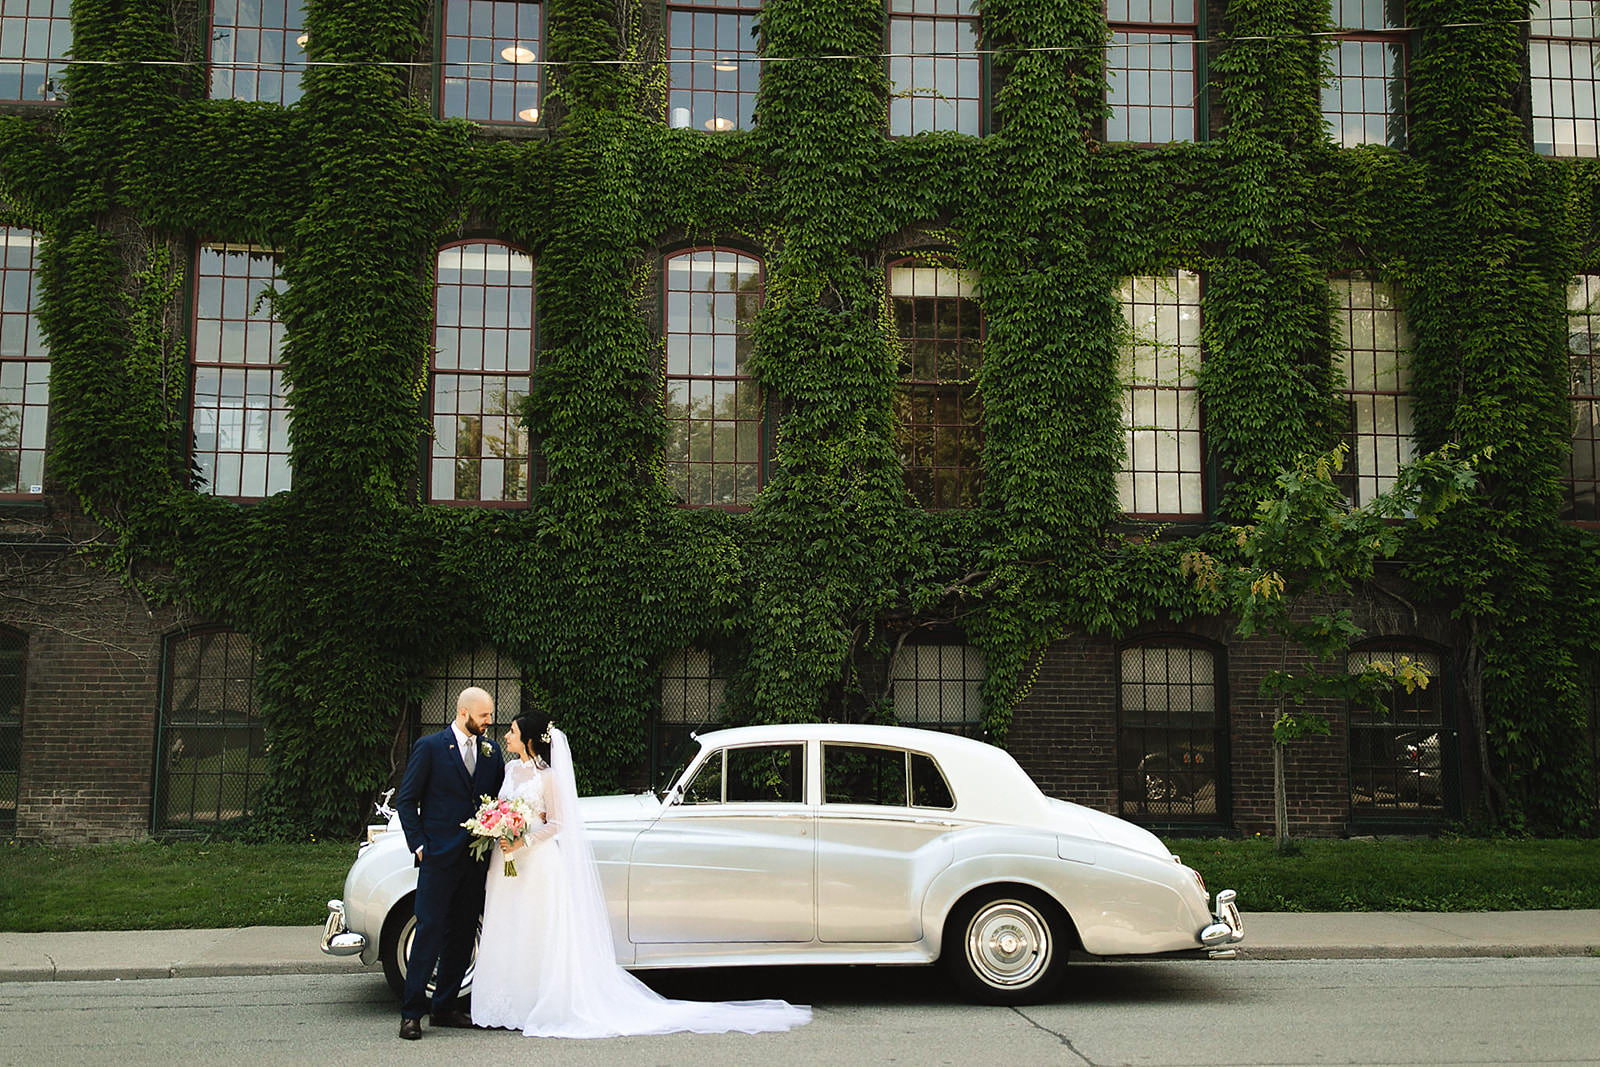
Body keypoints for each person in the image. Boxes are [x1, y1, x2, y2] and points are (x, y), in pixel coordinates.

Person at [471, 713, 811, 1038]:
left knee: (536, 929)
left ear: (529, 739)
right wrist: (499, 828)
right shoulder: (511, 768)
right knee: (509, 925)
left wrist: (524, 838)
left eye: (513, 731)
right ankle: (507, 1002)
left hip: (536, 861)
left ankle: (534, 1001)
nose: (506, 735)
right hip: (507, 862)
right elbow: (504, 806)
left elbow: (558, 823)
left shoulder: (549, 777)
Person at [394, 686, 506, 1040]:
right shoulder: (429, 748)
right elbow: (407, 801)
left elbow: (499, 799)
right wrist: (420, 847)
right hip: (439, 859)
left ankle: (444, 1007)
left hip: (475, 862)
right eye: (484, 715)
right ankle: (412, 1012)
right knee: (428, 931)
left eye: (490, 715)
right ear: (463, 713)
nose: (490, 721)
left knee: (462, 934)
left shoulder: (492, 753)